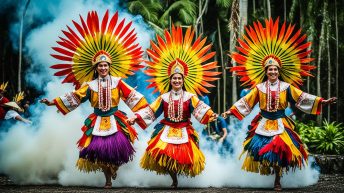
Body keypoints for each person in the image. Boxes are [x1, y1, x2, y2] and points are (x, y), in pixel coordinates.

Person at [222, 18, 337, 191]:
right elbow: (246, 102)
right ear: (266, 71)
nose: (273, 71)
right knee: (260, 152)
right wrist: (230, 112)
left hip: (282, 123)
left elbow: (302, 97)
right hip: (263, 123)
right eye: (270, 69)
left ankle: (277, 179)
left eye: (275, 69)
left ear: (279, 71)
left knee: (281, 149)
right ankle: (267, 176)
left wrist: (322, 101)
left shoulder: (286, 87)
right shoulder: (259, 88)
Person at [40, 10, 148, 189]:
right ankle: (107, 180)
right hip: (97, 121)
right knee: (100, 153)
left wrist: (145, 110)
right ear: (96, 68)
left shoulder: (118, 82)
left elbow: (132, 96)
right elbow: (74, 97)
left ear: (109, 66)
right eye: (100, 66)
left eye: (106, 65)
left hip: (116, 119)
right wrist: (52, 102)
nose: (103, 68)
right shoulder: (89, 85)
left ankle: (115, 168)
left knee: (121, 150)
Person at [127, 26, 220, 188]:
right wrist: (136, 117)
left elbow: (200, 108)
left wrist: (210, 114)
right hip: (167, 129)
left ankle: (178, 177)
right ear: (170, 80)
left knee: (185, 156)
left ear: (183, 80)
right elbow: (151, 111)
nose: (176, 81)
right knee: (161, 152)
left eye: (179, 79)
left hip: (184, 129)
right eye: (174, 79)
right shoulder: (163, 97)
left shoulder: (190, 97)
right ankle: (174, 179)